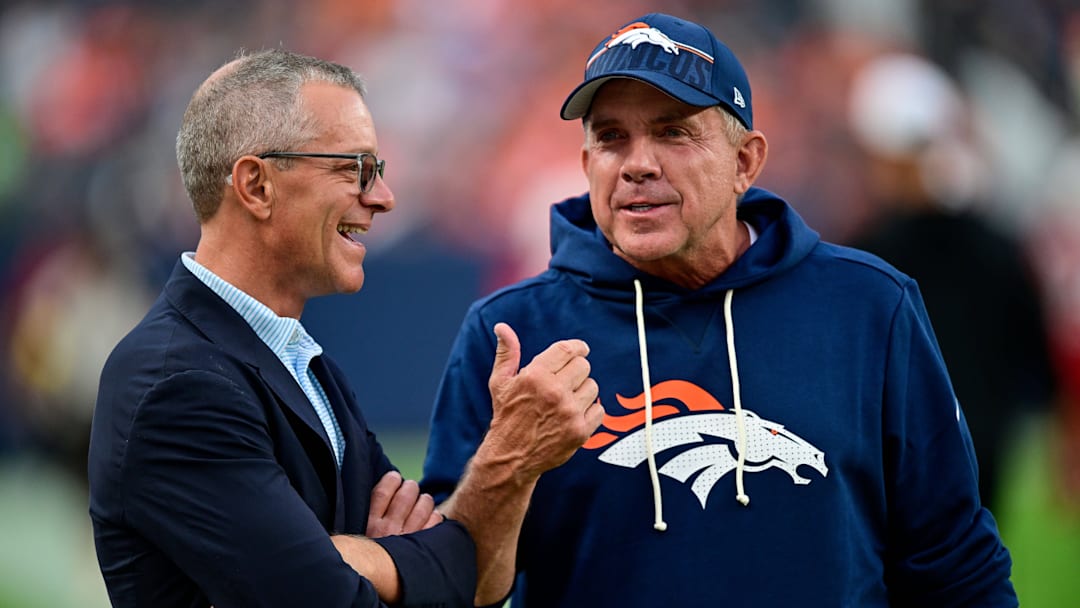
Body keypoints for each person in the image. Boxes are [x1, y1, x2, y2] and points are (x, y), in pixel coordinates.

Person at [421, 13, 1019, 607]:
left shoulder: (868, 306)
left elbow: (954, 564)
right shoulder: (511, 336)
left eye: (673, 132)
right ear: (586, 167)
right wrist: (508, 462)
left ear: (745, 162)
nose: (638, 164)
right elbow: (454, 586)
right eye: (610, 138)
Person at [87, 48, 599, 608]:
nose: (382, 197)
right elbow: (328, 597)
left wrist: (357, 555)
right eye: (354, 169)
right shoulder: (175, 384)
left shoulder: (303, 363)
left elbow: (468, 574)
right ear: (257, 186)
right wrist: (375, 557)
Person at [846, 52, 1057, 512]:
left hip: (903, 447)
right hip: (986, 445)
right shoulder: (997, 244)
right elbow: (1034, 361)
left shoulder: (865, 255)